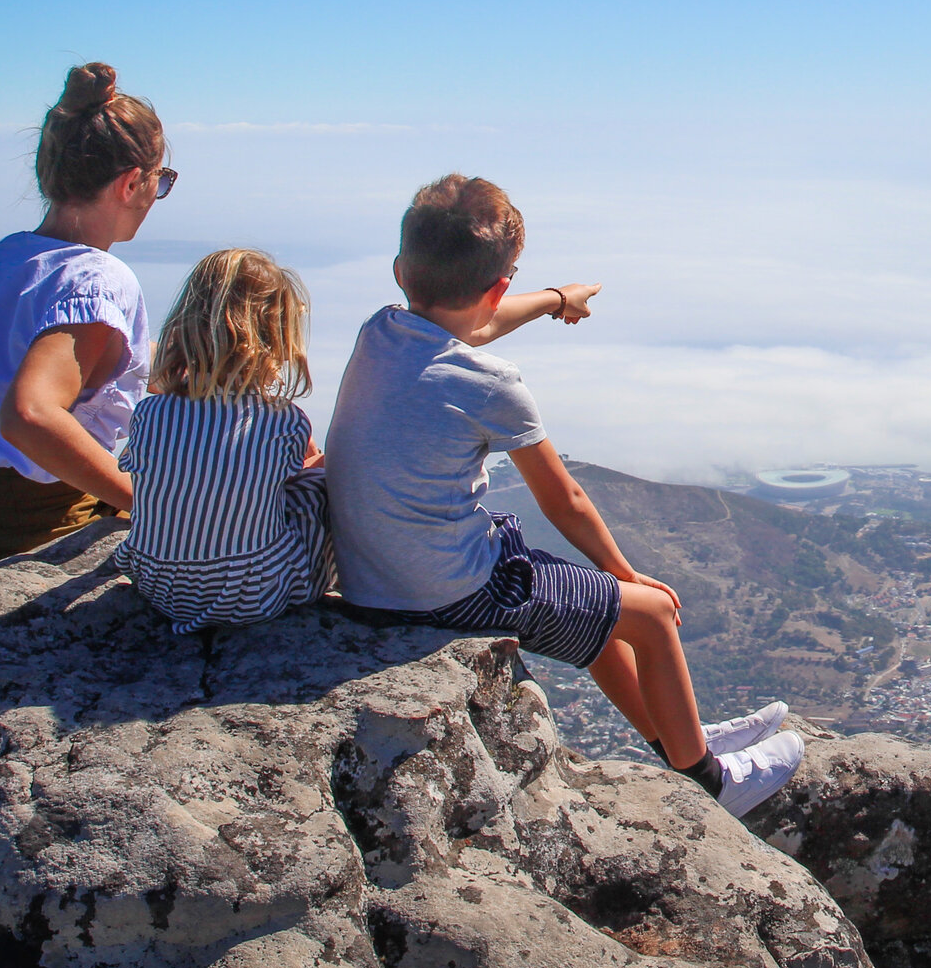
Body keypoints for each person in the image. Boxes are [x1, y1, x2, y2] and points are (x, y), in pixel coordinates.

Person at [324, 174, 803, 818]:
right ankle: (714, 781)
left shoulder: (379, 330)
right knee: (649, 616)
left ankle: (676, 736)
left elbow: (474, 323)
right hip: (444, 594)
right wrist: (628, 575)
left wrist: (555, 300)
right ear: (497, 286)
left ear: (400, 274)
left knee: (599, 625)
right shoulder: (491, 383)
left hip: (372, 580)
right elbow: (565, 499)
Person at [0, 63, 171, 585]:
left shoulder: (3, 258)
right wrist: (141, 502)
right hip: (25, 538)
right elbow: (28, 415)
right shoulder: (98, 279)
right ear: (132, 182)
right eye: (161, 181)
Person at [115, 249, 335, 631]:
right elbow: (301, 476)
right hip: (255, 595)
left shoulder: (149, 414)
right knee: (320, 485)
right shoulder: (283, 421)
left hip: (159, 587)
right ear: (276, 337)